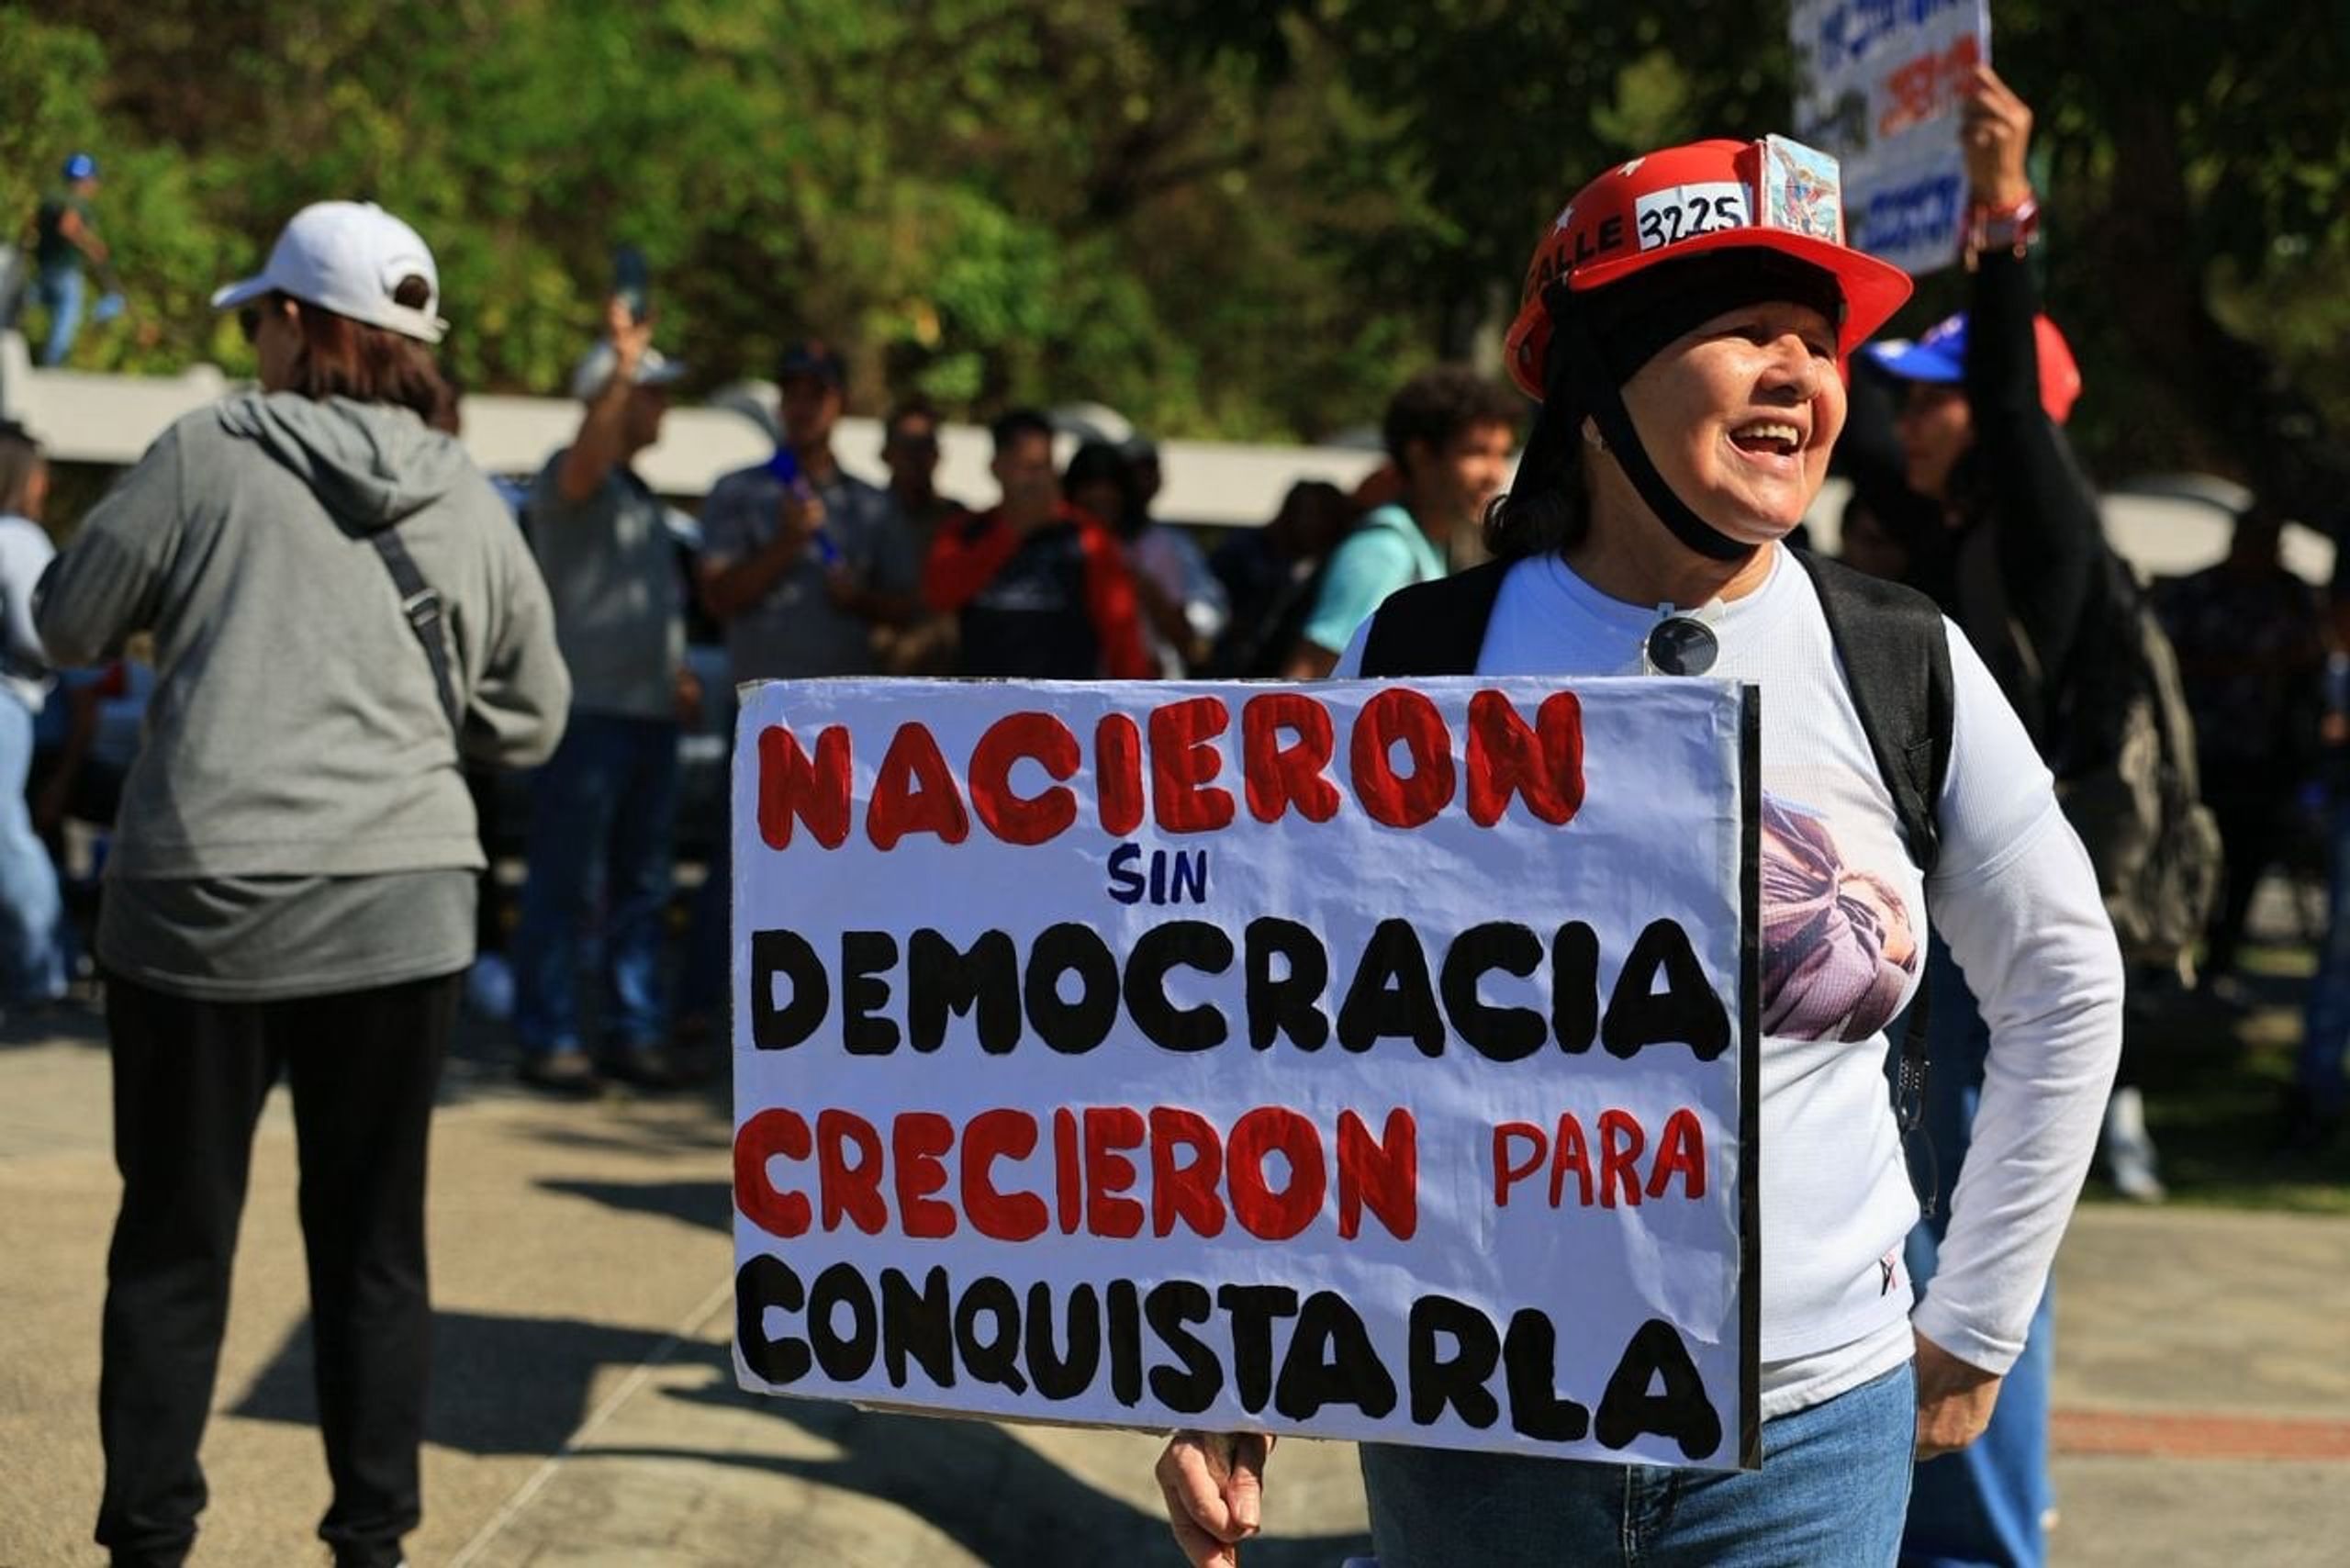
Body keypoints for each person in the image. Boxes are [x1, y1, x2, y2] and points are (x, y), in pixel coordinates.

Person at [1158, 132, 2122, 1568]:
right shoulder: (1423, 656)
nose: (1803, 372)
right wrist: (1241, 1359)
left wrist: (1974, 1315)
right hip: (1471, 1423)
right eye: (1746, 332)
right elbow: (1290, 1018)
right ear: (1599, 383)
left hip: (1803, 1443)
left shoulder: (1900, 660)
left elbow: (2063, 977)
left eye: (1821, 339)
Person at [34, 198, 568, 1568]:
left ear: (299, 324)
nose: (254, 341)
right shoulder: (460, 489)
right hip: (401, 908)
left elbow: (66, 621)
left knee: (171, 1243)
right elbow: (535, 717)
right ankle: (373, 1546)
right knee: (374, 1247)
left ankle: (150, 1545)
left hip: (198, 905)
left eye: (260, 316)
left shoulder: (207, 450)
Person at [508, 298, 696, 1092]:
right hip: (587, 716)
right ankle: (550, 1033)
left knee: (642, 884)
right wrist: (620, 368)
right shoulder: (571, 475)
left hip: (647, 717)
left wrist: (676, 670)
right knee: (563, 878)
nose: (662, 407)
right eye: (649, 392)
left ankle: (631, 1027)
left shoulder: (641, 496)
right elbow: (586, 452)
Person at [2152, 503, 2326, 994]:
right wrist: (2242, 666)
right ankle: (2169, 957)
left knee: (2249, 859)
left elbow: (2315, 653)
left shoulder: (2290, 595)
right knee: (2190, 856)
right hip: (2201, 751)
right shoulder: (2199, 592)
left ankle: (2222, 961)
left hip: (2267, 754)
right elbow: (2165, 662)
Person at [1279, 366, 1516, 678]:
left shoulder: (1432, 543)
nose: (1495, 474)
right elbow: (1305, 679)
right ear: (1420, 455)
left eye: (1502, 454)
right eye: (1476, 453)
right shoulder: (1382, 553)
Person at [922, 408, 1154, 680]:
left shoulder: (1086, 537)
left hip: (1064, 710)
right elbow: (939, 596)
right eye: (1028, 468)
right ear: (997, 467)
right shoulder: (965, 532)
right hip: (982, 707)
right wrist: (1011, 533)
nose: (1038, 481)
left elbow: (1121, 634)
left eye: (1046, 468)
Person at [0, 418, 68, 1008]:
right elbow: (44, 638)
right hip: (11, 701)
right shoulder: (19, 539)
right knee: (8, 838)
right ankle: (39, 970)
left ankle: (40, 967)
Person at [1204, 477, 1350, 678]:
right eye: (1306, 513)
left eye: (1324, 514)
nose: (1314, 523)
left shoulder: (1334, 566)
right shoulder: (1245, 554)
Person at [876, 395, 964, 675]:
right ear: (886, 453)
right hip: (875, 675)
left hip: (947, 675)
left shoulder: (960, 521)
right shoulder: (862, 516)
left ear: (937, 454)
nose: (916, 457)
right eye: (907, 446)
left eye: (925, 446)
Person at [28, 152, 113, 366]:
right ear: (88, 180)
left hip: (43, 268)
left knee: (27, 306)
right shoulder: (77, 201)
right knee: (66, 318)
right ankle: (52, 364)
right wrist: (91, 246)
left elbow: (30, 228)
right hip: (66, 272)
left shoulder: (51, 200)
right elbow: (68, 226)